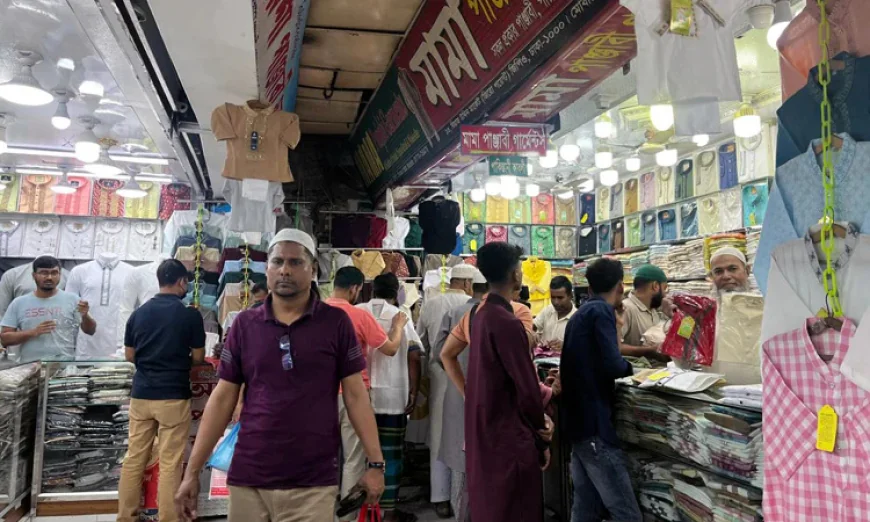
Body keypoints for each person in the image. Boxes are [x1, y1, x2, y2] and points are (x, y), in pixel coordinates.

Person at [175, 229, 385, 522]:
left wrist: (376, 464)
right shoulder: (245, 325)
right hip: (249, 478)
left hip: (312, 483)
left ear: (312, 269)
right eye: (277, 261)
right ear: (268, 268)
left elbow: (355, 396)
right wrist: (192, 472)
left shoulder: (335, 323)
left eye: (295, 262)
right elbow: (222, 399)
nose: (285, 269)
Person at [451, 242, 549, 522]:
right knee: (514, 509)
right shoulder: (506, 321)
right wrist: (541, 434)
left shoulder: (481, 315)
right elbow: (527, 387)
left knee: (493, 506)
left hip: (487, 427)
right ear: (516, 275)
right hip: (508, 435)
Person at [118, 259, 206, 522]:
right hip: (173, 396)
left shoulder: (139, 313)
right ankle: (169, 517)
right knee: (170, 461)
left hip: (142, 394)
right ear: (181, 282)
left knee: (134, 457)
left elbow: (129, 355)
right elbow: (200, 358)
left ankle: (125, 516)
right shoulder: (190, 315)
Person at [561, 258, 640, 522]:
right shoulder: (601, 312)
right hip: (595, 427)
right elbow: (613, 364)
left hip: (577, 424)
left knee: (585, 507)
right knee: (626, 512)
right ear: (620, 285)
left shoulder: (580, 314)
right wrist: (636, 371)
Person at [324, 266, 407, 521]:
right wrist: (399, 325)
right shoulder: (358, 315)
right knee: (353, 459)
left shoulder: (314, 312)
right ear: (355, 289)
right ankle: (345, 518)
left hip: (318, 395)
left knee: (323, 457)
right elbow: (390, 349)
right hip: (353, 394)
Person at [356, 273, 422, 522]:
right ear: (396, 292)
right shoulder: (400, 316)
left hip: (359, 396)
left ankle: (359, 510)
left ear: (371, 290)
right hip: (393, 397)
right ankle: (388, 511)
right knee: (390, 454)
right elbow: (414, 355)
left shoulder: (357, 311)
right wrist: (414, 391)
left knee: (360, 453)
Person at [415, 264, 477, 517]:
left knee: (442, 439)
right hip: (470, 378)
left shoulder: (431, 304)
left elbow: (421, 343)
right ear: (468, 284)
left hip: (441, 378)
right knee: (469, 439)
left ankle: (441, 498)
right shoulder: (473, 307)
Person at [431, 269, 487, 522]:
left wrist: (457, 374)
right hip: (489, 397)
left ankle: (458, 512)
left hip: (458, 392)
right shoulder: (505, 314)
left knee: (458, 459)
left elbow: (438, 352)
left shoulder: (453, 313)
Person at [0, 256, 95, 362]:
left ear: (59, 275)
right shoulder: (18, 303)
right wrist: (33, 332)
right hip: (30, 368)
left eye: (54, 273)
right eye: (44, 273)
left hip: (64, 368)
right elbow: (5, 339)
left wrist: (85, 316)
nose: (49, 277)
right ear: (34, 275)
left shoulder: (73, 299)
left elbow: (90, 330)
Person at [620, 264, 668, 356]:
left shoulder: (654, 309)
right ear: (655, 286)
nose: (665, 294)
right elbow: (614, 347)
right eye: (665, 288)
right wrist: (649, 351)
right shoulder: (626, 308)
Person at [534, 276, 576, 352]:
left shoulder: (577, 318)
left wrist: (566, 345)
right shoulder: (548, 311)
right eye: (553, 297)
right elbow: (534, 326)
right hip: (543, 360)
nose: (556, 302)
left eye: (560, 298)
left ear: (570, 296)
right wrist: (532, 334)